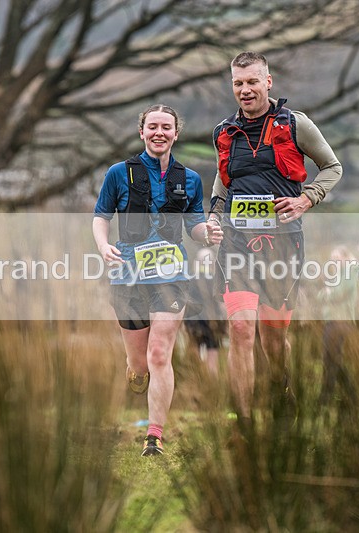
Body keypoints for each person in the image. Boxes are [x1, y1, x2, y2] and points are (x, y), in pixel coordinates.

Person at [207, 51, 343, 425]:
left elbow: (333, 166)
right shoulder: (222, 132)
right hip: (236, 243)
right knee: (239, 329)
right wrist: (214, 216)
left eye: (252, 82)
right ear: (232, 86)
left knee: (274, 338)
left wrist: (306, 198)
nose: (245, 90)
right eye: (238, 83)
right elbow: (224, 178)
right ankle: (245, 421)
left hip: (283, 242)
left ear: (268, 81)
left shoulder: (296, 124)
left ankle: (283, 390)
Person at [93, 104, 223, 457]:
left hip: (171, 274)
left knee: (159, 353)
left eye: (166, 127)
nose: (159, 132)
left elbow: (194, 227)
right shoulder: (119, 173)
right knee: (140, 365)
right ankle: (135, 371)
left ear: (176, 133)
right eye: (153, 126)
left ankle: (154, 436)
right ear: (142, 132)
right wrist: (104, 246)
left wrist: (207, 233)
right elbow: (101, 217)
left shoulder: (190, 179)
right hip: (128, 274)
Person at [317, 246, 358, 407]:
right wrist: (326, 293)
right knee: (333, 359)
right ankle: (352, 395)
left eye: (337, 258)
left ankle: (325, 398)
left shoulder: (349, 273)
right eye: (332, 258)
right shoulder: (340, 275)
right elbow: (323, 295)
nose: (333, 261)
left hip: (339, 322)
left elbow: (336, 294)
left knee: (330, 360)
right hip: (333, 321)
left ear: (346, 257)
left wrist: (327, 292)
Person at [184, 247, 226, 377]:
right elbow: (222, 305)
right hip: (213, 322)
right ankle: (211, 386)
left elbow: (184, 303)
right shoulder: (217, 279)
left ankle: (197, 380)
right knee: (212, 356)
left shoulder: (189, 279)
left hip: (192, 323)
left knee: (193, 351)